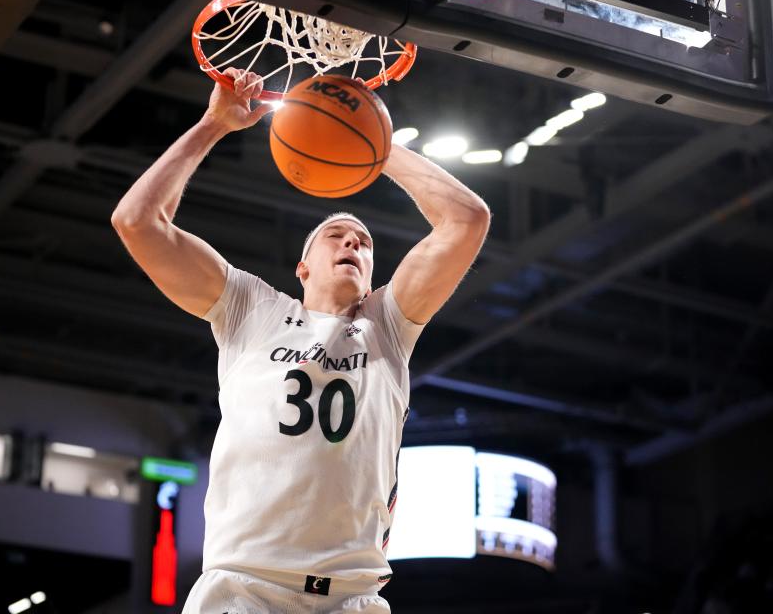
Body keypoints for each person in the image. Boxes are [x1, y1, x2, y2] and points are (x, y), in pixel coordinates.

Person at [111, 68, 490, 613]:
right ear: (302, 267)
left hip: (351, 597)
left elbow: (466, 219)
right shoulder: (253, 308)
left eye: (363, 242)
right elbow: (137, 221)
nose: (354, 243)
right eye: (337, 235)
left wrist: (377, 148)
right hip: (244, 589)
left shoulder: (387, 324)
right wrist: (212, 125)